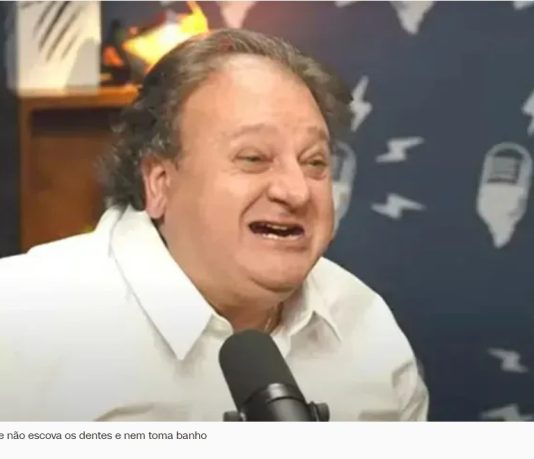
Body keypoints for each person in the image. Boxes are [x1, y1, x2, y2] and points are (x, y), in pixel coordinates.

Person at [0, 28, 428, 421]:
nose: (296, 192)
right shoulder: (20, 321)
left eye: (314, 162)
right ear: (160, 182)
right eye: (254, 158)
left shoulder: (368, 327)